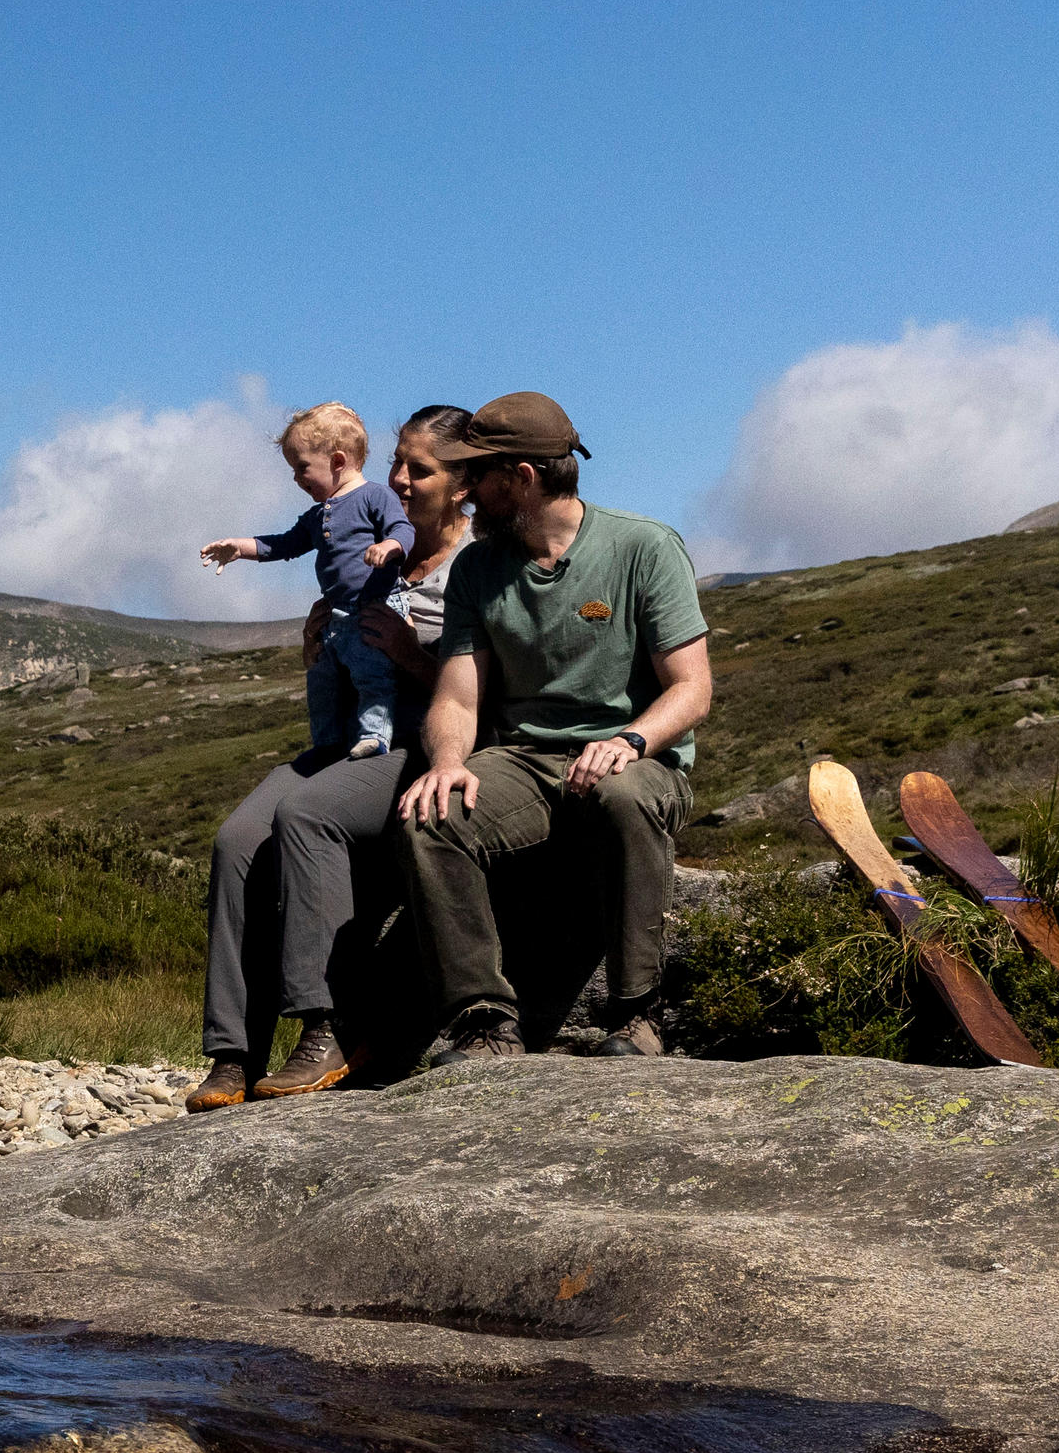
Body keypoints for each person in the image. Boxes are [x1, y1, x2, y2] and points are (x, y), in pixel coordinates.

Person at [393, 391, 713, 1063]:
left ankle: (638, 1016)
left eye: (477, 475)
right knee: (434, 814)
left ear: (524, 478)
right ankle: (484, 1024)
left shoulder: (644, 547)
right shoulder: (478, 570)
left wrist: (627, 742)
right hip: (524, 760)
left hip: (639, 759)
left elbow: (691, 690)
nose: (466, 492)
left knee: (623, 798)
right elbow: (456, 697)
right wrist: (449, 760)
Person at [188, 404, 477, 1107]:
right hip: (346, 740)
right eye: (397, 466)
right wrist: (321, 643)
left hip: (417, 742)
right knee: (236, 840)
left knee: (307, 814)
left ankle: (333, 1025)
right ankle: (232, 1051)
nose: (401, 481)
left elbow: (484, 691)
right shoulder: (365, 541)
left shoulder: (476, 569)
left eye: (420, 470)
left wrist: (409, 656)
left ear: (464, 486)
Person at [200, 405, 410, 762]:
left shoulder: (376, 496)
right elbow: (285, 544)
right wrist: (240, 548)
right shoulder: (318, 515)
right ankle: (327, 744)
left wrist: (390, 546)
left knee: (372, 674)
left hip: (378, 606)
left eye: (302, 468)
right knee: (322, 681)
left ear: (338, 460)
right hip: (338, 617)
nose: (297, 479)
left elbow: (402, 529)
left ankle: (375, 735)